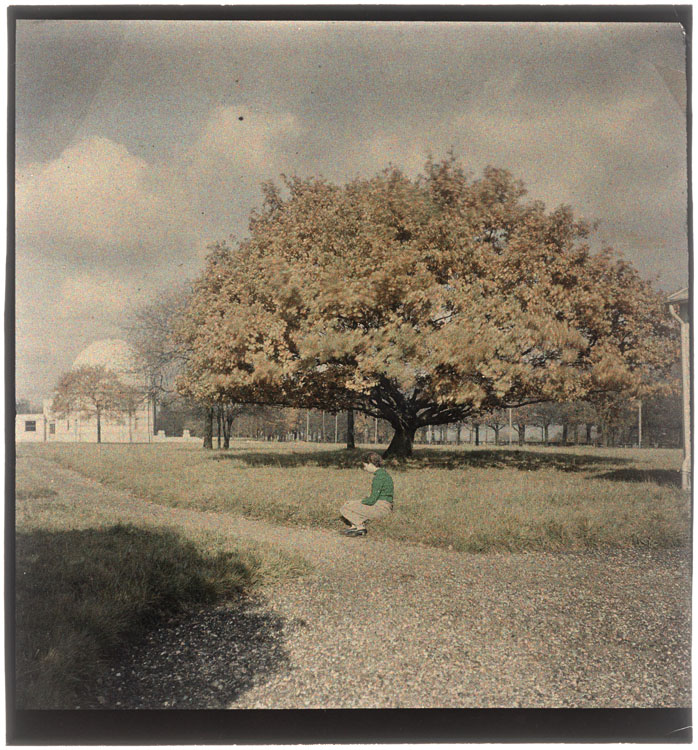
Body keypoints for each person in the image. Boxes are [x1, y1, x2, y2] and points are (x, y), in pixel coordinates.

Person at [340, 452, 394, 537]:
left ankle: (360, 528)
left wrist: (355, 502)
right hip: (386, 505)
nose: (365, 469)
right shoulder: (384, 474)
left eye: (365, 466)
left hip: (381, 507)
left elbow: (371, 500)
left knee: (345, 507)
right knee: (352, 505)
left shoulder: (379, 478)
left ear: (371, 464)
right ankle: (354, 526)